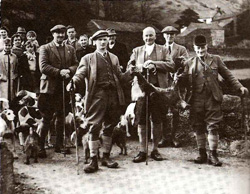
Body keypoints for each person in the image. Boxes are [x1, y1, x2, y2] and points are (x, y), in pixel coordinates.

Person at [67, 30, 135, 173]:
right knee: (94, 127)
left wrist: (130, 72)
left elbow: (120, 77)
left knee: (110, 126)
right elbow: (80, 73)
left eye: (105, 39)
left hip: (113, 97)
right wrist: (73, 81)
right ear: (95, 42)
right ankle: (93, 160)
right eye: (100, 40)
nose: (103, 42)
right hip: (96, 96)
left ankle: (106, 156)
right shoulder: (88, 58)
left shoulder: (114, 58)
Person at [182, 35, 249, 166]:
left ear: (206, 46)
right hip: (196, 99)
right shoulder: (189, 63)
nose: (200, 50)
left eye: (203, 47)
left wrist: (239, 87)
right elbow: (183, 81)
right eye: (198, 48)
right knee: (198, 126)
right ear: (194, 48)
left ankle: (213, 155)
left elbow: (228, 75)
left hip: (212, 98)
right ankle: (202, 153)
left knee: (213, 126)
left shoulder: (216, 60)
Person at [127, 27, 174, 163]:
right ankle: (143, 150)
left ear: (155, 36)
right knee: (142, 120)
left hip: (158, 91)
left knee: (157, 120)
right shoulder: (137, 51)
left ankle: (155, 150)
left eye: (151, 36)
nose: (149, 38)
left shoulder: (163, 50)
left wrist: (155, 65)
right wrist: (141, 67)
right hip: (141, 92)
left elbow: (171, 65)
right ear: (143, 37)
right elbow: (130, 67)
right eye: (146, 36)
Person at [37, 24, 78, 158]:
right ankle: (40, 146)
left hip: (63, 88)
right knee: (46, 118)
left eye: (62, 33)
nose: (60, 35)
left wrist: (70, 71)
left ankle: (59, 145)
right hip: (49, 88)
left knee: (61, 117)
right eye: (58, 33)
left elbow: (76, 64)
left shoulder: (70, 49)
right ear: (53, 34)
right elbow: (43, 67)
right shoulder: (45, 48)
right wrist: (59, 72)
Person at [159, 26, 189, 148]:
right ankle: (163, 137)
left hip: (177, 85)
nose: (169, 36)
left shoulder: (181, 49)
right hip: (164, 84)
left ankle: (174, 136)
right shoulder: (159, 49)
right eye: (167, 34)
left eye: (172, 34)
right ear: (163, 36)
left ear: (175, 36)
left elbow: (187, 65)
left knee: (176, 111)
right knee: (162, 110)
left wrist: (179, 74)